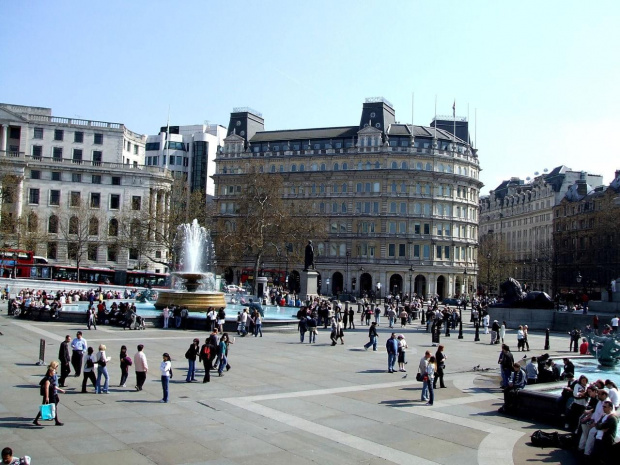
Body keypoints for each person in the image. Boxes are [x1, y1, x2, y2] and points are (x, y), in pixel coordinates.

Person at [33, 361, 65, 426]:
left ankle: (36, 420)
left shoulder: (50, 378)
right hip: (50, 395)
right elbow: (46, 388)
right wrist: (47, 397)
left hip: (53, 394)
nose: (54, 372)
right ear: (50, 372)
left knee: (48, 407)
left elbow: (54, 386)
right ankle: (56, 421)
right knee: (51, 407)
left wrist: (60, 390)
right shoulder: (48, 379)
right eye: (53, 372)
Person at [590, 400, 617, 464]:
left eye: (605, 407)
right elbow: (598, 425)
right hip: (598, 439)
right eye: (603, 406)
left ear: (610, 408)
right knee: (594, 457)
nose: (603, 408)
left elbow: (602, 426)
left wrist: (600, 426)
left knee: (603, 459)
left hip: (605, 441)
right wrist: (601, 427)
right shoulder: (604, 416)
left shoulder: (612, 418)